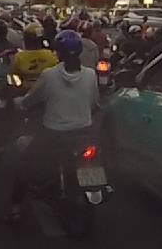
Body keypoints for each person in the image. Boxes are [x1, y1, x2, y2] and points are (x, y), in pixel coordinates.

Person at [5, 30, 99, 224]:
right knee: (94, 162)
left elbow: (29, 100)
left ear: (59, 52)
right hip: (84, 134)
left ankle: (15, 209)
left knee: (24, 163)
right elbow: (94, 102)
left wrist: (16, 103)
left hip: (53, 135)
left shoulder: (49, 75)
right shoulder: (91, 75)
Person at [9, 24, 58, 90]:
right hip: (47, 90)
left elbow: (12, 80)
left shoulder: (18, 57)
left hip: (25, 91)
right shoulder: (50, 54)